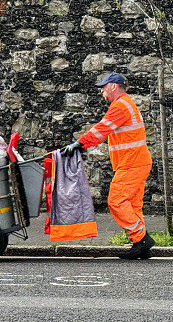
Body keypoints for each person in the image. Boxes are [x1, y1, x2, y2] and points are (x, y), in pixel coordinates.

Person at [64, 73, 155, 260]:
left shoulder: (120, 106)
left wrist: (78, 144)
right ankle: (140, 244)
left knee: (117, 201)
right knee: (132, 204)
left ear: (113, 86)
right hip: (135, 162)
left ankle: (141, 238)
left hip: (131, 163)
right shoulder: (125, 103)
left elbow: (101, 130)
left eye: (103, 87)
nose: (102, 92)